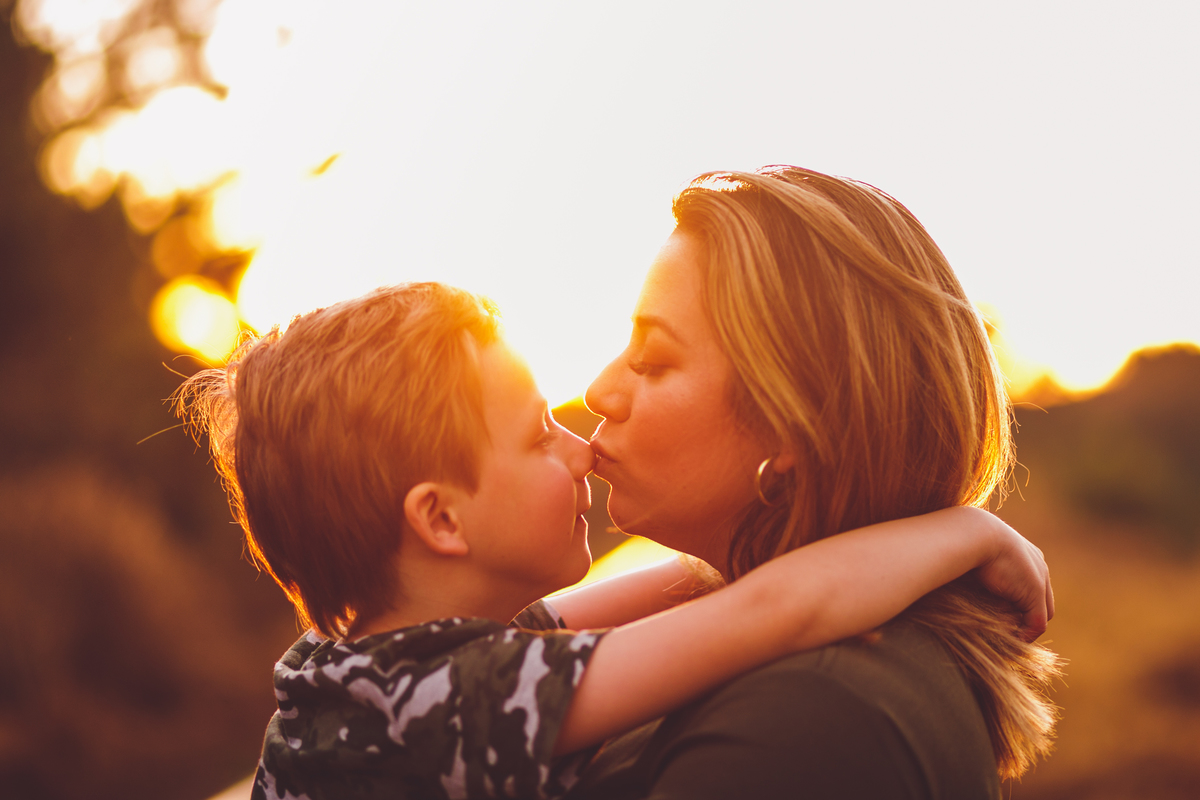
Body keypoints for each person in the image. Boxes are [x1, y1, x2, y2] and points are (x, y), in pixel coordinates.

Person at [177, 282, 1051, 800]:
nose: (580, 443)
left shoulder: (371, 663)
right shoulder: (450, 704)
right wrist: (961, 533)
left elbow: (693, 584)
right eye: (535, 437)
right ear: (441, 520)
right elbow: (775, 609)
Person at [571, 166, 1063, 800]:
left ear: (794, 427)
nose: (599, 392)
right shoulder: (800, 668)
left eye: (654, 360)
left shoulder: (802, 723)